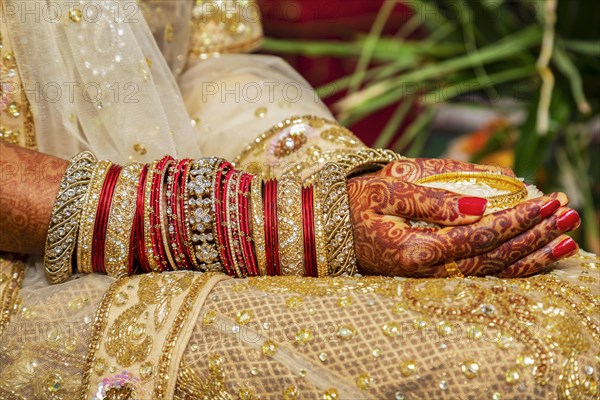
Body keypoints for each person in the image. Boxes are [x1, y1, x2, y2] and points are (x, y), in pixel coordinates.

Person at [0, 1, 597, 399]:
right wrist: (289, 223)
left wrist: (336, 179)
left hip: (182, 211)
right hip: (25, 281)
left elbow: (201, 62)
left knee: (574, 303)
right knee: (512, 361)